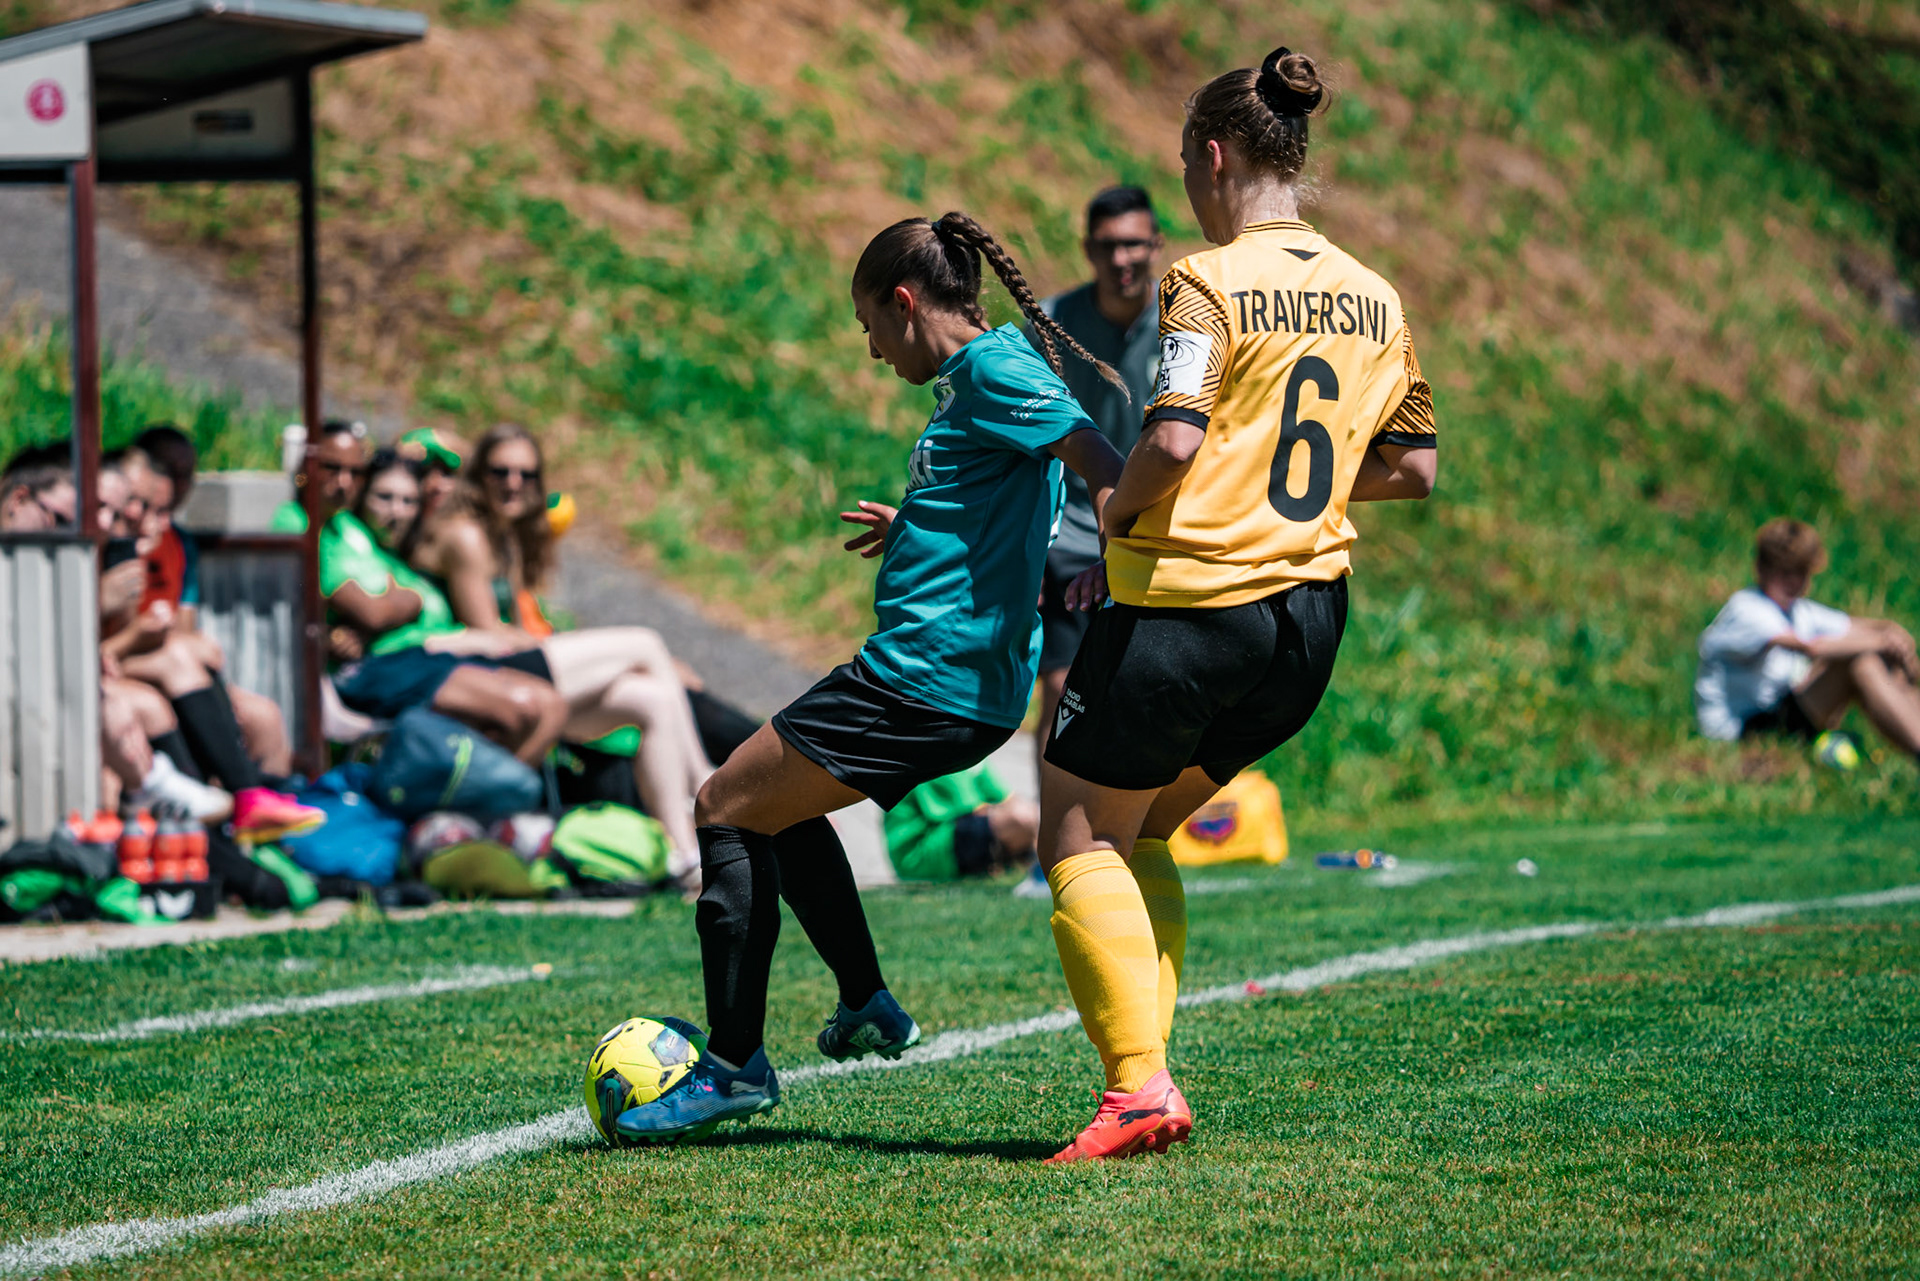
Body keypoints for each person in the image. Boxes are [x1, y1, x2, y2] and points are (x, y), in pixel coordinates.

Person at [613, 210, 1127, 1143]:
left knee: (723, 805)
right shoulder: (981, 377)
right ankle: (866, 1006)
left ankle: (732, 1067)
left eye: (869, 329)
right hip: (942, 679)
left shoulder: (996, 367)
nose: (872, 353)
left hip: (924, 675)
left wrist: (1123, 557)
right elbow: (1009, 495)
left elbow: (1096, 459)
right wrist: (920, 525)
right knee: (778, 805)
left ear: (904, 302)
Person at [1036, 47, 1439, 1163]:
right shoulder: (1375, 293)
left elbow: (1171, 436)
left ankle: (1134, 1088)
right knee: (1148, 824)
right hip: (1307, 624)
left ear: (1213, 155)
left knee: (1072, 827)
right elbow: (1412, 470)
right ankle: (1147, 1069)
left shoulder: (1204, 280)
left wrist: (1118, 507)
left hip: (1190, 603)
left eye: (1184, 164)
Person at [410, 424, 716, 864]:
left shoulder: (501, 536)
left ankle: (686, 857)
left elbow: (516, 627)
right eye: (500, 471)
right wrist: (578, 648)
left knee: (653, 699)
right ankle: (706, 784)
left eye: (527, 475)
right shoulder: (467, 536)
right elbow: (490, 634)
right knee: (645, 644)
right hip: (482, 676)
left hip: (515, 667)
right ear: (479, 474)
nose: (514, 483)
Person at [98, 450, 323, 841]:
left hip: (135, 668)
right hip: (110, 675)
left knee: (262, 714)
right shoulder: (93, 550)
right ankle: (230, 816)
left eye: (161, 509)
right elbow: (89, 651)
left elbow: (174, 631)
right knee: (177, 663)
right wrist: (131, 627)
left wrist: (148, 630)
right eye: (135, 506)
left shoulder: (155, 546)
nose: (150, 519)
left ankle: (267, 822)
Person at [1026, 186, 1166, 811]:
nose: (1122, 259)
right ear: (1088, 250)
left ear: (1156, 245)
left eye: (1134, 242)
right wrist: (1022, 551)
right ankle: (1049, 848)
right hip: (1072, 536)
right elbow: (1020, 443)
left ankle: (1134, 836)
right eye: (1109, 246)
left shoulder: (1190, 324)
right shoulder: (1051, 329)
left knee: (1145, 694)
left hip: (1152, 537)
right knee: (1059, 692)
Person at [1695, 519, 1920, 762]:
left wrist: (1893, 634)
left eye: (1800, 572)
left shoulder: (1797, 611)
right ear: (1761, 568)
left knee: (1873, 655)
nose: (1793, 582)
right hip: (1741, 729)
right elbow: (1811, 647)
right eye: (1784, 572)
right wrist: (1881, 641)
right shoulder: (1746, 608)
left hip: (1779, 713)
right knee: (1859, 663)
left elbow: (1857, 627)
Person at [883, 761, 1038, 882]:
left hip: (952, 832)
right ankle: (1038, 871)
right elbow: (972, 810)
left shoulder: (973, 746)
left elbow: (1006, 798)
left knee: (1032, 815)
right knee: (1022, 819)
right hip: (919, 853)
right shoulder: (933, 744)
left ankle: (1036, 871)